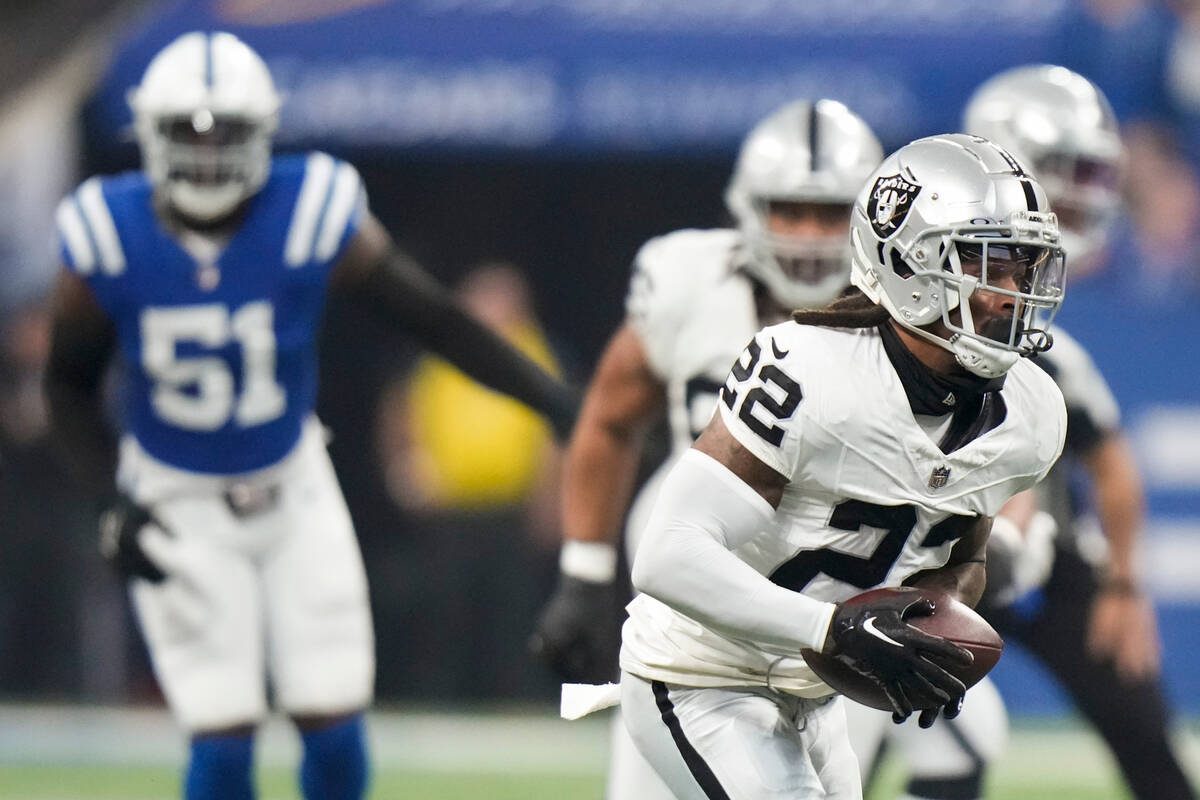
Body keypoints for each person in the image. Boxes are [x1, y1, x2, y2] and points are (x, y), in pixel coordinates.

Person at [43, 31, 576, 800]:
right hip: (176, 497)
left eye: (225, 132)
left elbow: (432, 318)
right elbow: (66, 387)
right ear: (150, 138)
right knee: (222, 735)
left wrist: (552, 400)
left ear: (261, 133)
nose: (207, 154)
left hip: (292, 487)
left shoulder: (310, 208)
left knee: (332, 722)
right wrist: (107, 498)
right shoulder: (106, 232)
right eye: (188, 135)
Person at [586, 132, 1068, 799]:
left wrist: (933, 625)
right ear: (913, 264)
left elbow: (961, 553)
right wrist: (834, 628)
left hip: (814, 693)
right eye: (991, 265)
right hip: (701, 672)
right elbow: (665, 555)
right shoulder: (809, 369)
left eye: (1025, 268)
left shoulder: (1032, 410)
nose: (1013, 293)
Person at [845, 64, 1196, 800]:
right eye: (1064, 170)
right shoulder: (893, 313)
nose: (1080, 194)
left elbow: (1106, 456)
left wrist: (1124, 585)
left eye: (1093, 173)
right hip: (924, 537)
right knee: (869, 718)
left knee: (1137, 723)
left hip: (1029, 551)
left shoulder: (1050, 351)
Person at [530, 98, 884, 798]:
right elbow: (608, 417)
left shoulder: (902, 308)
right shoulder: (684, 281)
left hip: (834, 577)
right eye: (789, 210)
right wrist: (584, 569)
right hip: (693, 560)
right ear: (747, 209)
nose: (810, 235)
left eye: (829, 213)